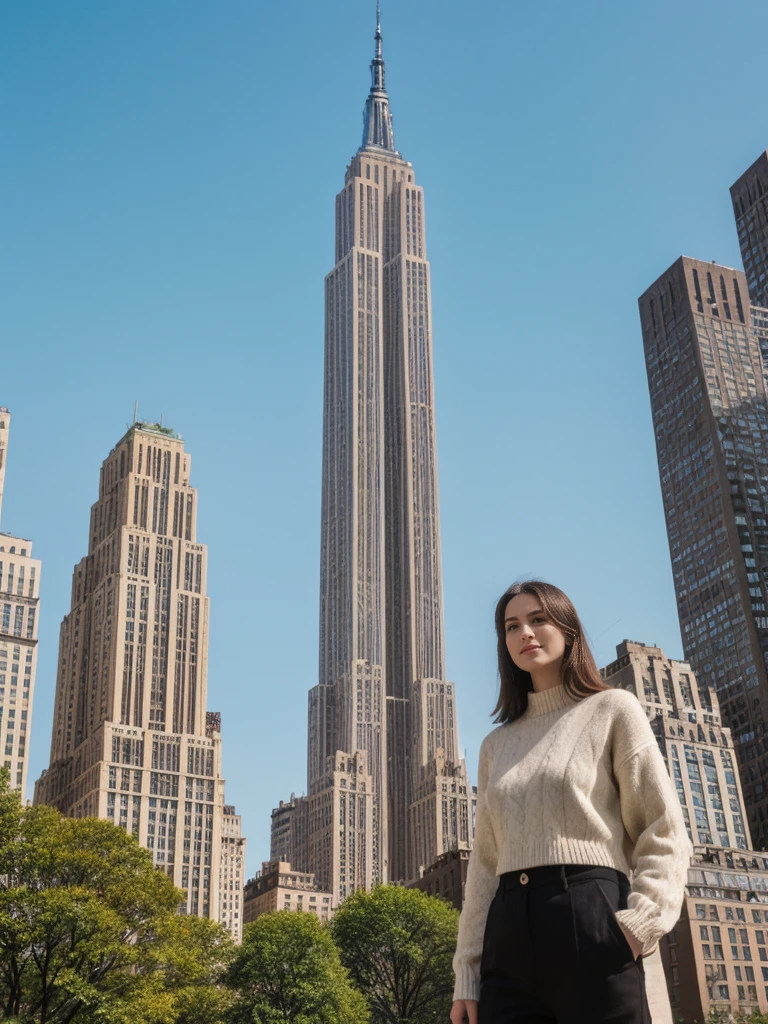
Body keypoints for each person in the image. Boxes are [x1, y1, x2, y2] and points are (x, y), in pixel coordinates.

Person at [451, 580, 692, 1024]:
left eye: (538, 619)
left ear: (569, 629)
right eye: (511, 626)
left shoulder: (613, 709)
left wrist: (638, 927)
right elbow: (484, 867)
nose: (524, 632)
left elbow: (664, 831)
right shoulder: (495, 745)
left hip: (591, 916)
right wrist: (466, 972)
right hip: (508, 936)